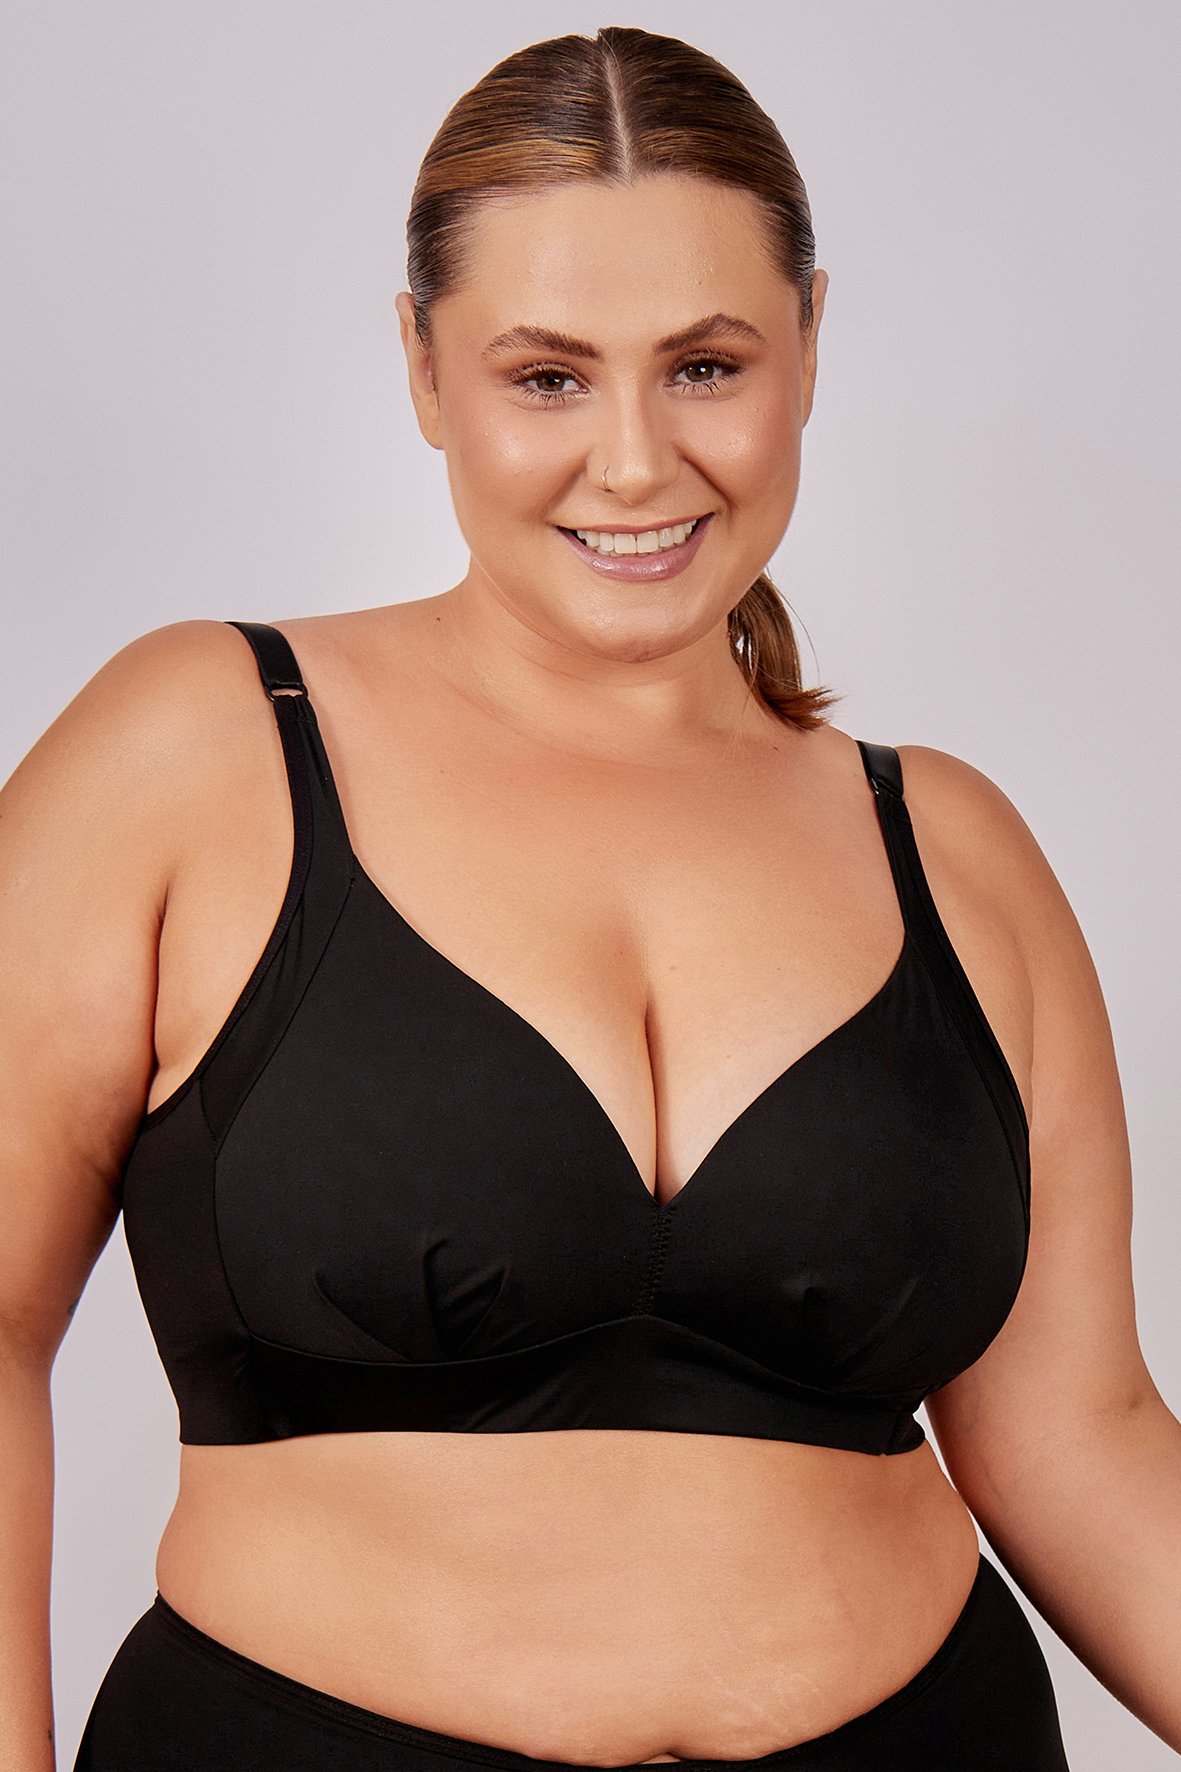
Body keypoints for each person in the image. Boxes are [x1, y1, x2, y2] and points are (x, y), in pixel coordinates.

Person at [2, 22, 1178, 1772]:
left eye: (704, 366)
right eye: (546, 378)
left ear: (807, 345)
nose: (633, 463)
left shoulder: (950, 846)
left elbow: (1081, 1442)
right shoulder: (197, 748)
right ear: (423, 371)